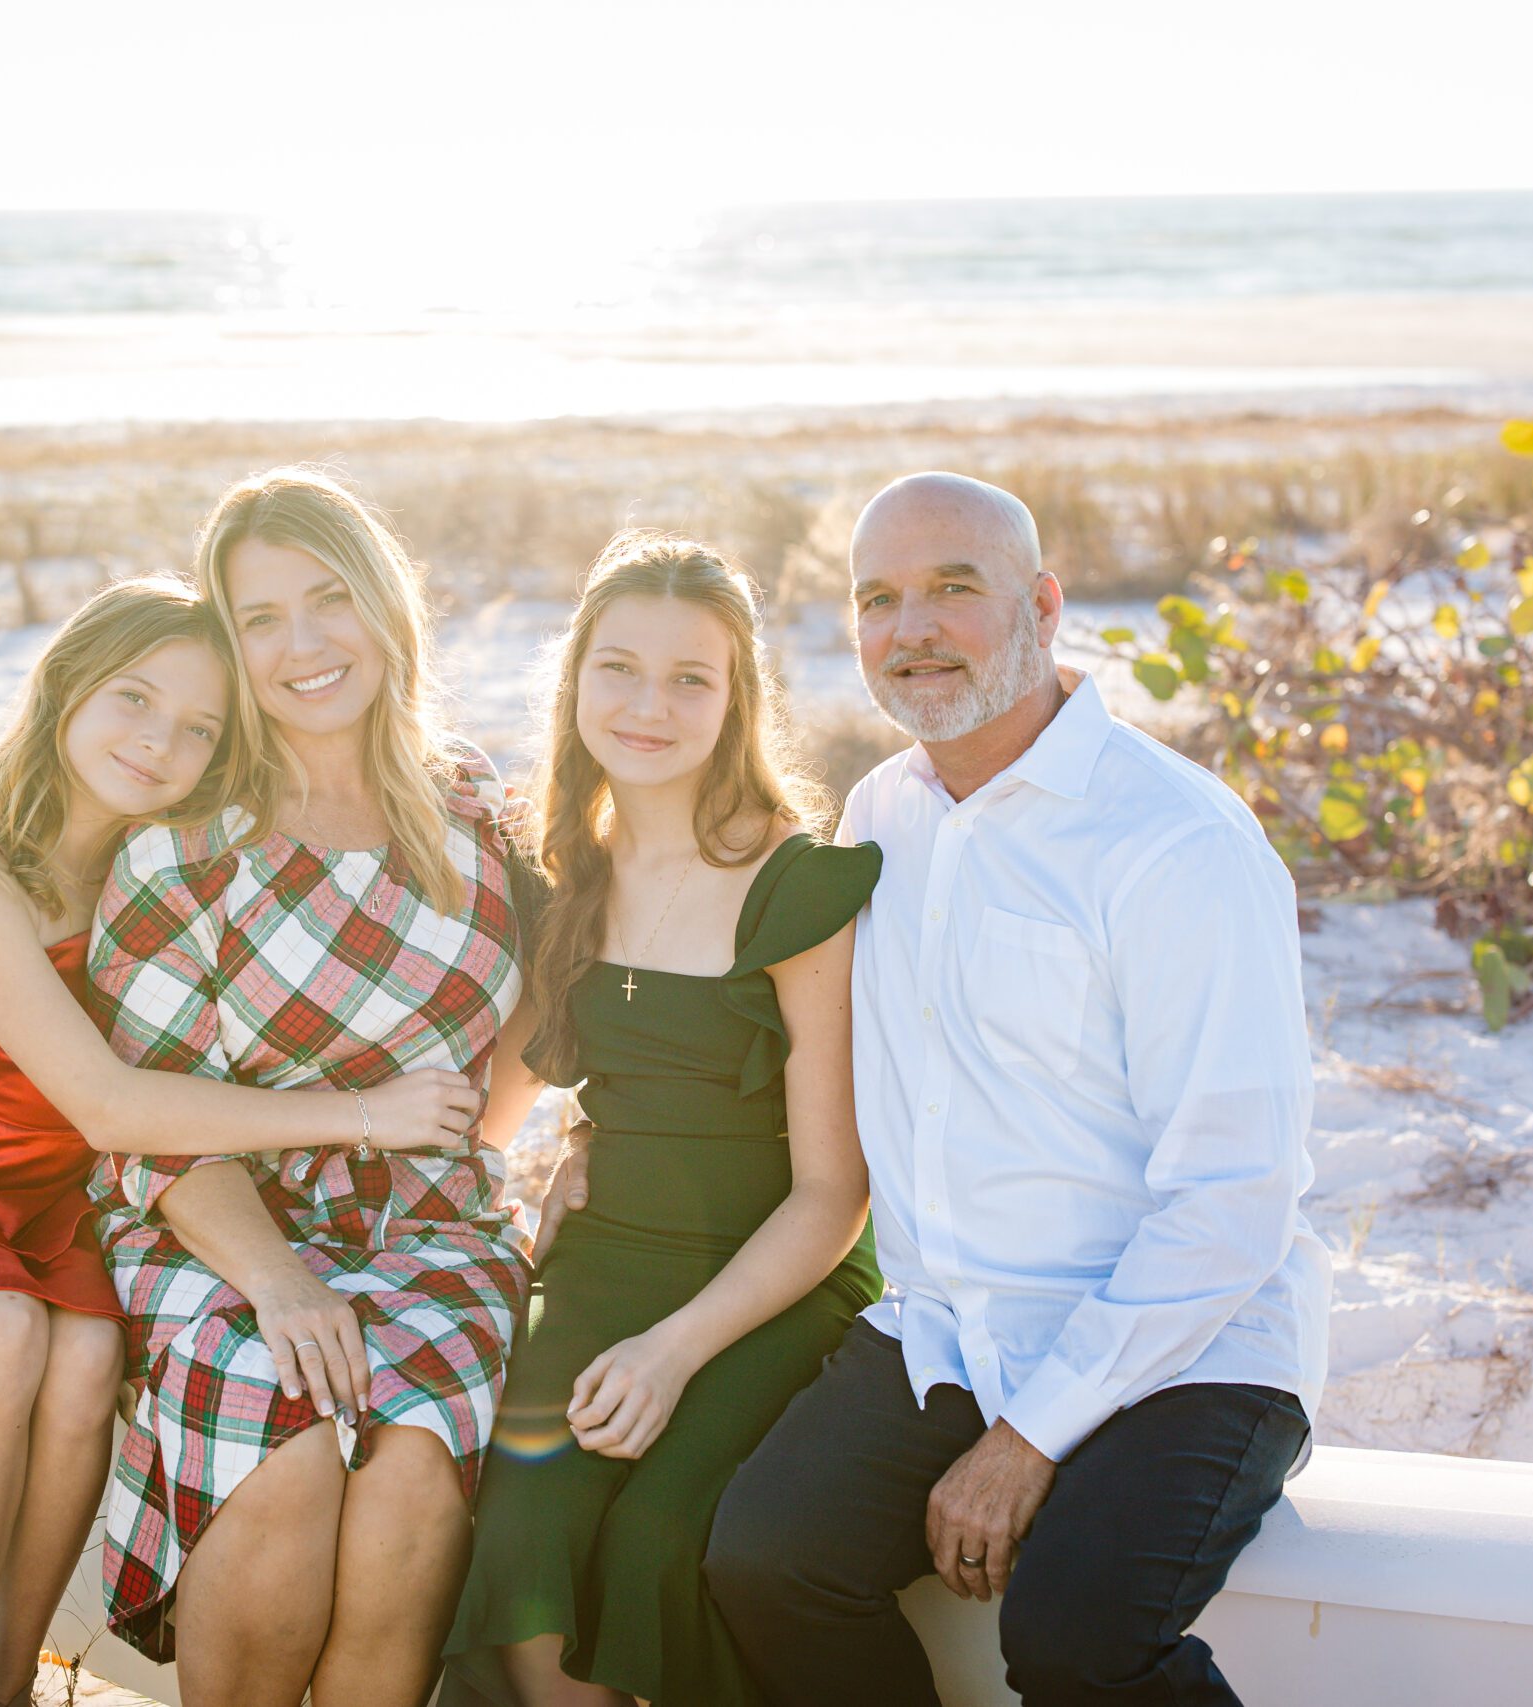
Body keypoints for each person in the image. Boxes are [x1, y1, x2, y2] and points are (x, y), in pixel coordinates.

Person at [701, 473, 1328, 1706]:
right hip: (953, 1328)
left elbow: (1231, 1202)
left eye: (953, 589)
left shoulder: (1174, 843)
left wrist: (1029, 1437)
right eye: (877, 599)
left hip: (1186, 1345)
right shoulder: (884, 816)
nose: (911, 629)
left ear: (1042, 605)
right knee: (764, 1564)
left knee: (1074, 1638)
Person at [0, 578, 480, 1707]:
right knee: (12, 1334)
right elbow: (113, 1107)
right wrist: (365, 1115)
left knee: (82, 1367)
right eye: (133, 698)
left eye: (199, 729)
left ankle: (17, 1672)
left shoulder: (159, 864)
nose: (157, 741)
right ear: (64, 686)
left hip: (59, 1193)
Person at [82, 470, 532, 1707]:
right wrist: (279, 1281)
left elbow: (545, 1014)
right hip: (219, 1222)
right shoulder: (182, 848)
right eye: (260, 619)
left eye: (329, 598)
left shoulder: (474, 808)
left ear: (386, 605)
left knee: (410, 1470)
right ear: (229, 648)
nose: (304, 645)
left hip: (435, 1225)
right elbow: (154, 1125)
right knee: (272, 1433)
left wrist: (531, 1144)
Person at [440, 532, 879, 1707]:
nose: (649, 705)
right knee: (520, 1528)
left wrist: (675, 1348)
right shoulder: (561, 878)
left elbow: (836, 1193)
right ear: (572, 680)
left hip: (766, 1279)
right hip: (601, 1264)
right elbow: (488, 1115)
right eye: (618, 669)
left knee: (656, 1541)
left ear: (738, 702)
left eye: (692, 678)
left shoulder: (799, 885)